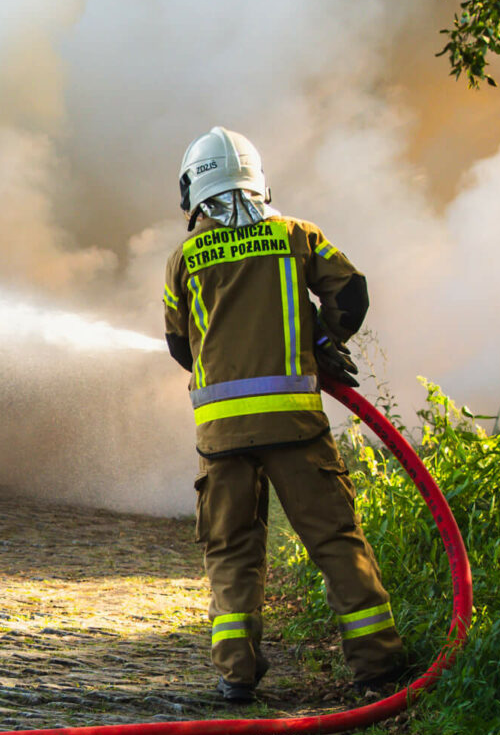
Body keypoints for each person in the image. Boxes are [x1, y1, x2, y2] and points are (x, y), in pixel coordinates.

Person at [161, 126, 407, 703]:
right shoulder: (298, 236)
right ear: (257, 180)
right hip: (296, 428)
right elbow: (351, 294)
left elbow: (179, 346)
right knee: (335, 541)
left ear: (192, 190)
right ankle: (378, 664)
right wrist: (323, 339)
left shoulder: (185, 258)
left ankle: (236, 674)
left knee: (231, 551)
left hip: (222, 438)